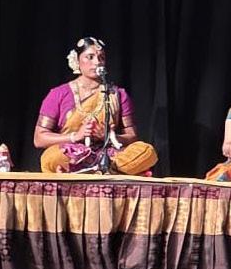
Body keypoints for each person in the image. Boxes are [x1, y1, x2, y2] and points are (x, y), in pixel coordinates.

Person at [34, 37, 158, 175]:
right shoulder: (58, 94)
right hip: (72, 153)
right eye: (90, 57)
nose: (97, 62)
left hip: (110, 154)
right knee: (52, 157)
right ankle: (106, 171)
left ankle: (94, 170)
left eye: (101, 57)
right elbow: (39, 139)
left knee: (147, 151)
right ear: (77, 61)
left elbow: (132, 136)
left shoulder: (118, 94)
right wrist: (76, 136)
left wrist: (108, 137)